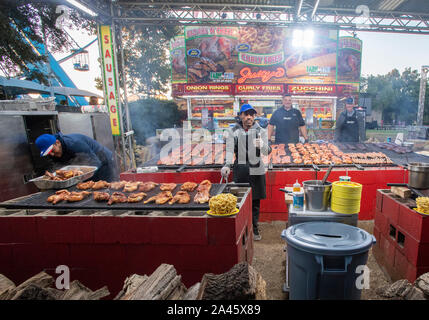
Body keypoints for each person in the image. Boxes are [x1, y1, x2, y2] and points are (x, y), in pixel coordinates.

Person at [221, 104, 271, 241]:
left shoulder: (261, 130)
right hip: (241, 168)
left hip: (257, 168)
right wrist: (226, 165)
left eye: (251, 114)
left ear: (255, 116)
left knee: (255, 200)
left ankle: (254, 227)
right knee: (239, 199)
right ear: (240, 115)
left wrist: (262, 145)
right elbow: (230, 149)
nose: (249, 117)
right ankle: (241, 226)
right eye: (246, 114)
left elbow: (267, 151)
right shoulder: (233, 131)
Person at [35, 132, 118, 182]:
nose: (52, 155)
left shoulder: (75, 144)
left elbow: (94, 163)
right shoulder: (55, 151)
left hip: (103, 161)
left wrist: (79, 178)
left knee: (105, 188)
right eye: (48, 153)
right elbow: (59, 167)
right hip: (88, 165)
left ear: (57, 143)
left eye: (52, 151)